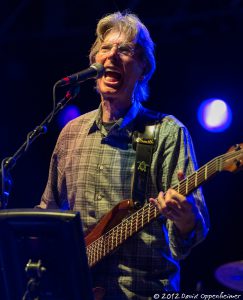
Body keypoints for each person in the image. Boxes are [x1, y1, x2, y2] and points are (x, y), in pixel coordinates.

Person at [38, 11, 209, 299]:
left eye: (126, 50)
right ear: (94, 61)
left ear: (143, 68)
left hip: (143, 291)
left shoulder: (167, 132)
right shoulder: (70, 133)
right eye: (105, 48)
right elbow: (49, 210)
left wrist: (186, 218)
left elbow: (190, 234)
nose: (113, 55)